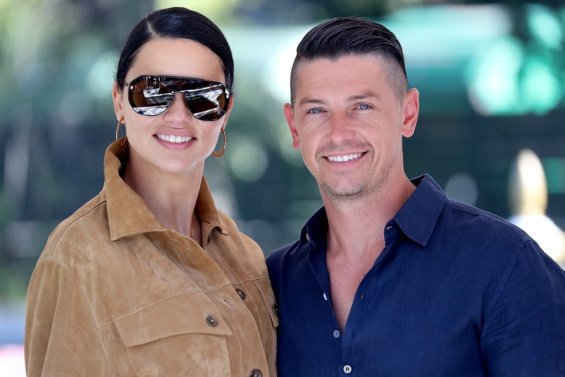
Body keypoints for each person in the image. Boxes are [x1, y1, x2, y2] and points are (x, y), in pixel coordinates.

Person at [267, 16, 565, 377]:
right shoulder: (273, 282)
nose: (338, 133)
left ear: (408, 114)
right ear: (294, 126)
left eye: (362, 106)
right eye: (317, 110)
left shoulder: (505, 265)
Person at [25, 7, 277, 377]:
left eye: (203, 96)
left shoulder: (247, 256)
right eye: (153, 92)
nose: (178, 115)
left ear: (225, 112)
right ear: (119, 100)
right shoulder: (77, 260)